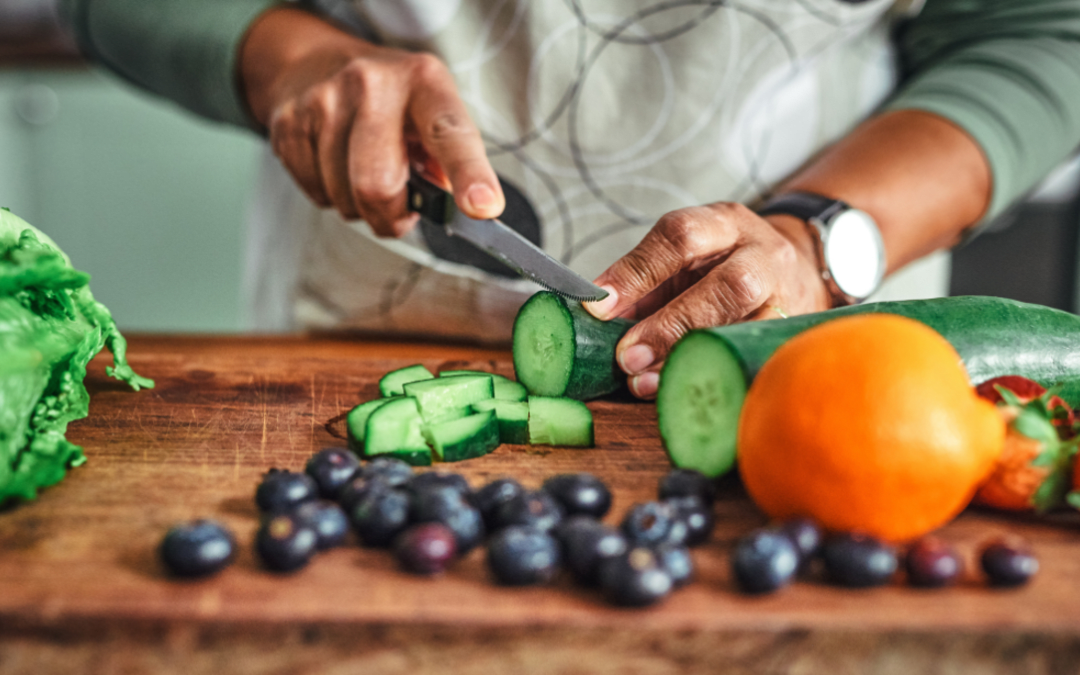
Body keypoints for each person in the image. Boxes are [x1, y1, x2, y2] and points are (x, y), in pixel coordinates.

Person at [59, 0, 1080, 398]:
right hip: (353, 323)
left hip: (822, 350)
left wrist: (817, 239)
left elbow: (1044, 30)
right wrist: (294, 62)